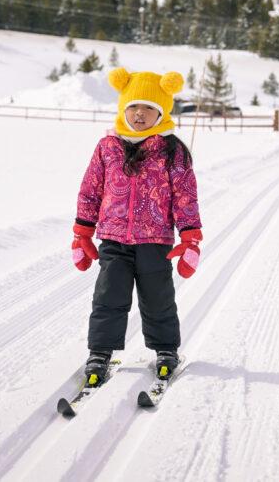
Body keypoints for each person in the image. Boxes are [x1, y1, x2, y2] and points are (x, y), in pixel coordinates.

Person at [71, 67, 203, 386]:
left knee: (158, 298)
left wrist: (191, 238)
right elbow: (91, 189)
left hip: (156, 240)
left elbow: (185, 195)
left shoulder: (172, 150)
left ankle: (166, 350)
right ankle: (100, 352)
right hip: (113, 239)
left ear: (161, 112)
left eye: (148, 108)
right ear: (123, 109)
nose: (139, 114)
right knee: (108, 297)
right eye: (133, 107)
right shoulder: (107, 147)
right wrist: (82, 232)